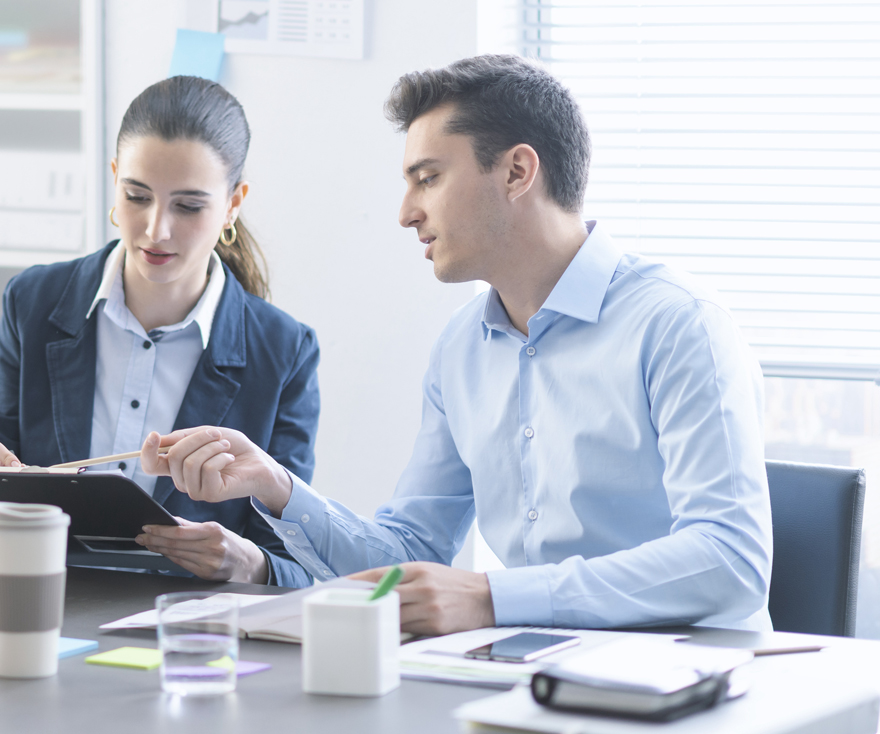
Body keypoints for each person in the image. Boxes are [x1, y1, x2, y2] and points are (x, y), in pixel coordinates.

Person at [140, 54, 773, 634]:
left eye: (428, 178)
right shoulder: (462, 348)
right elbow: (410, 553)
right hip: (535, 673)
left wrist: (493, 599)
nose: (406, 212)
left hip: (691, 684)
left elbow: (730, 558)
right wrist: (275, 484)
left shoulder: (680, 325)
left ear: (518, 171)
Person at [0, 76, 318, 588]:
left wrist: (247, 563)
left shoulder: (283, 350)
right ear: (115, 180)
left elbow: (299, 564)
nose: (156, 229)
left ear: (233, 203)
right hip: (48, 608)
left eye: (188, 205)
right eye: (137, 196)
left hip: (192, 629)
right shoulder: (34, 303)